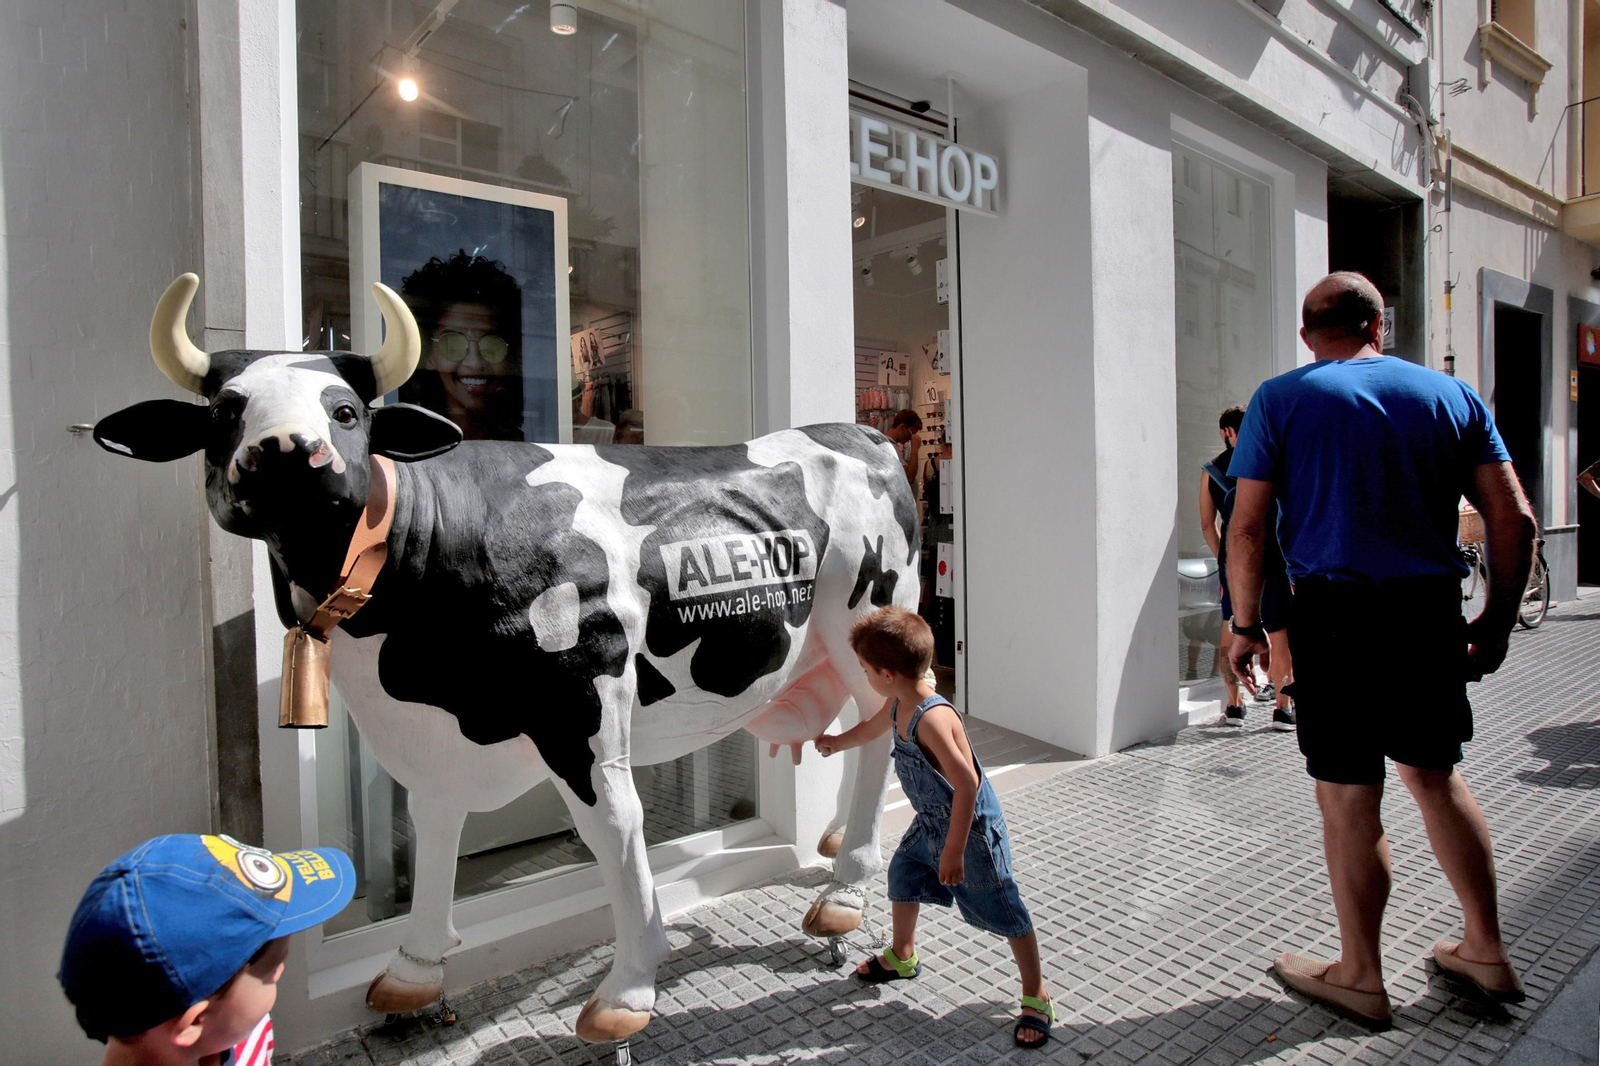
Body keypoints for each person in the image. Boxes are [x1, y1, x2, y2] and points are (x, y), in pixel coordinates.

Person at [1226, 271, 1535, 1029]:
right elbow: (1515, 519)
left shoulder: (1281, 398)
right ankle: (1486, 950)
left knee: (1348, 795)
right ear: (1379, 326)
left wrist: (1245, 624)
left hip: (1334, 618)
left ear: (1308, 336)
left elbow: (1249, 528)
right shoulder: (1451, 396)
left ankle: (1362, 976)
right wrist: (1496, 621)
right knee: (1437, 776)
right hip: (1428, 614)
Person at [813, 607, 1054, 1049]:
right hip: (930, 822)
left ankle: (1036, 995)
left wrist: (954, 850)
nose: (863, 676)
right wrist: (835, 743)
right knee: (903, 876)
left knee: (1004, 907)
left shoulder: (931, 718)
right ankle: (902, 955)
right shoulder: (898, 702)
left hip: (970, 831)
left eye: (865, 670)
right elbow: (870, 729)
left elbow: (967, 784)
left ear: (887, 674)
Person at [59, 834, 356, 1065]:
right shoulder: (238, 1033)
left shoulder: (241, 1036)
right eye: (269, 973)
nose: (280, 971)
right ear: (195, 1021)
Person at [1198, 406, 1296, 731]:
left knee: (1232, 627)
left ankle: (1235, 704)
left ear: (1227, 432)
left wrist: (1224, 559)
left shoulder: (1213, 469)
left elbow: (1207, 525)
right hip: (1276, 558)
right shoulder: (1271, 460)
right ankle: (1283, 707)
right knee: (1279, 633)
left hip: (1236, 561)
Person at [399, 251, 525, 442]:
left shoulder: (522, 445)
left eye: (492, 345)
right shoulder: (410, 444)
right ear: (429, 355)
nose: (475, 363)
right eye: (453, 343)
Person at [884, 409, 923, 484]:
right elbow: (909, 478)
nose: (911, 438)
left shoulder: (886, 443)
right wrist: (915, 449)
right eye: (912, 433)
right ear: (902, 427)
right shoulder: (890, 447)